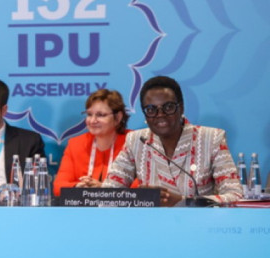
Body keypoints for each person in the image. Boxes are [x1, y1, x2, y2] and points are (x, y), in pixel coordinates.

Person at [103, 76, 242, 206]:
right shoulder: (136, 141)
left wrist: (183, 202)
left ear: (181, 108)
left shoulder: (212, 139)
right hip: (150, 222)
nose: (160, 115)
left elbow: (235, 196)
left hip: (197, 222)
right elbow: (108, 194)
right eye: (151, 109)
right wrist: (139, 197)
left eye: (168, 107)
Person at [53, 89, 132, 196]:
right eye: (89, 114)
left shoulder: (133, 142)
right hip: (83, 205)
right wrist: (79, 187)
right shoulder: (75, 144)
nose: (93, 120)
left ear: (118, 117)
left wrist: (104, 188)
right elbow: (58, 187)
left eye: (100, 115)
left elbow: (140, 188)